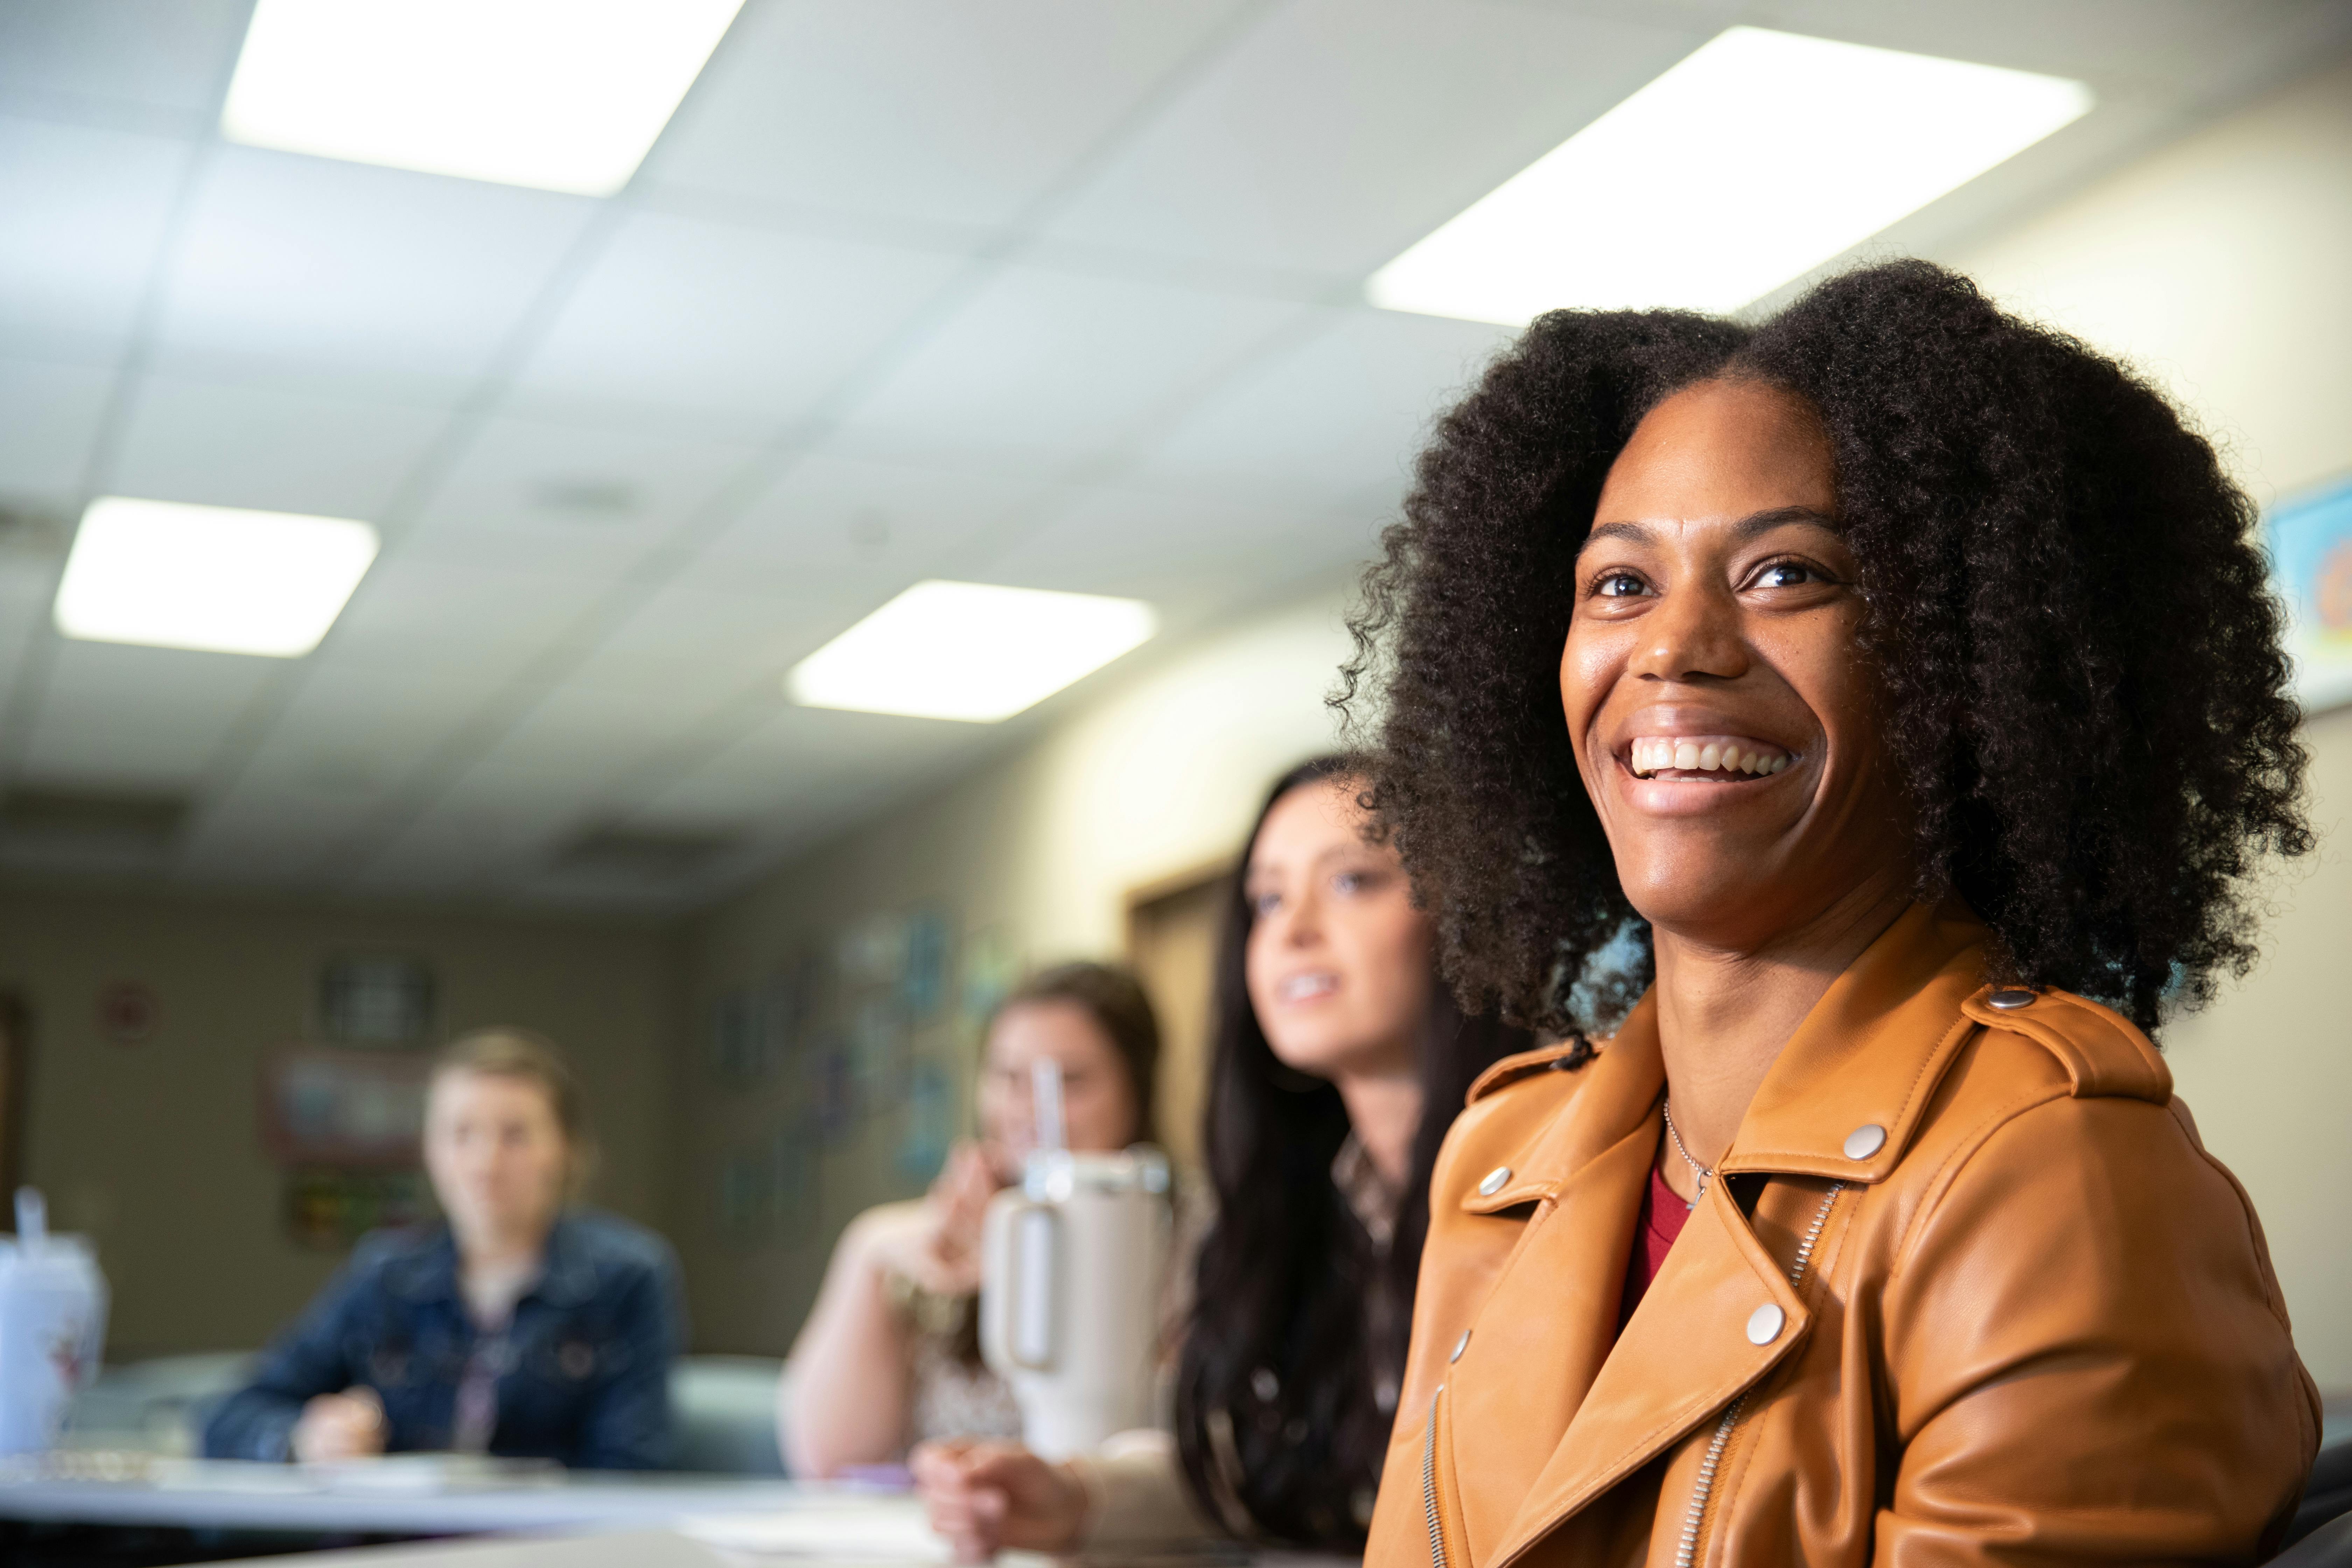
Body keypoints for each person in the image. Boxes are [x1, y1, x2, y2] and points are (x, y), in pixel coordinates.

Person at [1338, 260, 2319, 1565]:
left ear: (1964, 668)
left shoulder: (2050, 1174)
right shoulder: (1505, 1163)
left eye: (1788, 574)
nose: (1674, 647)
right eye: (1620, 585)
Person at [912, 756, 1529, 1558]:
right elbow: (1259, 1475)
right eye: (1268, 900)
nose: (1294, 931)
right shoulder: (1301, 1210)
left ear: (1467, 912)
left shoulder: (1560, 1180)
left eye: (1351, 882)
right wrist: (1073, 1497)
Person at [206, 1029, 685, 1469]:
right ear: (430, 1150)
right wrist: (304, 1438)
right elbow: (232, 1416)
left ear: (566, 1149)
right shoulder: (385, 1275)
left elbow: (630, 1465)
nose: (486, 1163)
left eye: (515, 1135)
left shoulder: (629, 1277)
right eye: (461, 1133)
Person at [782, 961, 1162, 1478]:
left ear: (1136, 1090)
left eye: (1070, 1082)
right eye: (1009, 1078)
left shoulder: (1194, 1237)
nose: (1032, 1109)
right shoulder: (936, 1242)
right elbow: (828, 1459)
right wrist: (869, 1249)